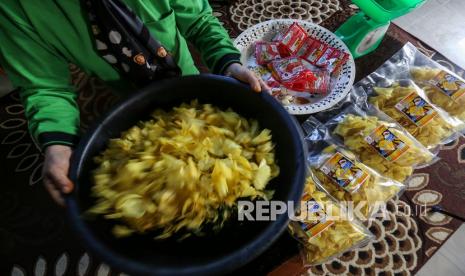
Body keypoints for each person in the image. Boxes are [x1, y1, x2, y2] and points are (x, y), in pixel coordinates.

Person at [0, 0, 268, 206]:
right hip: (127, 97)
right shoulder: (15, 8)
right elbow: (45, 85)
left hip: (184, 75)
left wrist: (227, 62)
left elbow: (198, 20)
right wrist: (57, 145)